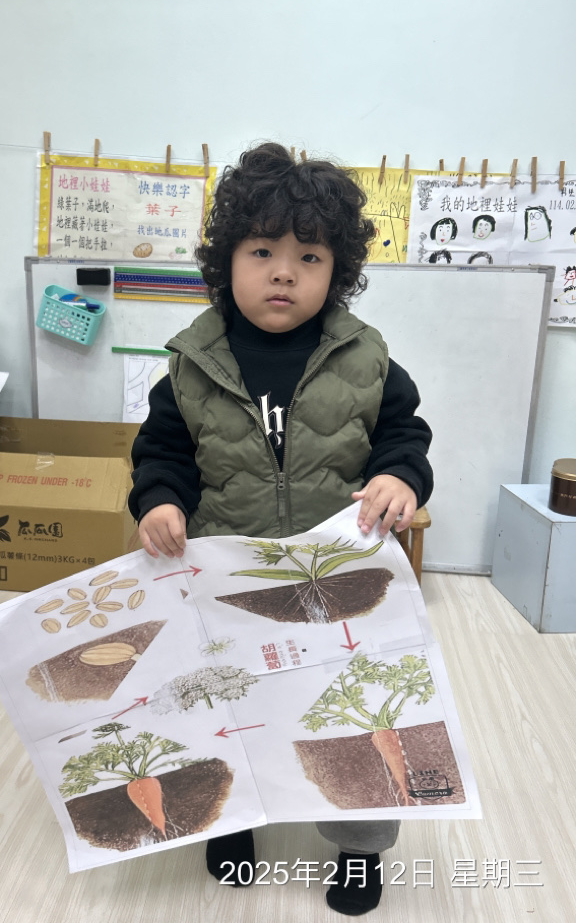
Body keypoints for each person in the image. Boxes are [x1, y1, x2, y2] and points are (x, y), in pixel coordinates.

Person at [129, 142, 433, 917]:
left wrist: (401, 476)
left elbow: (405, 435)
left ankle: (359, 851)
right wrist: (159, 501)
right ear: (226, 260)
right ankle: (234, 819)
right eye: (262, 251)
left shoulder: (366, 360)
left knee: (359, 715)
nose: (284, 272)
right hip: (228, 580)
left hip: (340, 578)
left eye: (310, 256)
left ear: (338, 272)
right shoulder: (192, 366)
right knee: (232, 708)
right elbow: (162, 454)